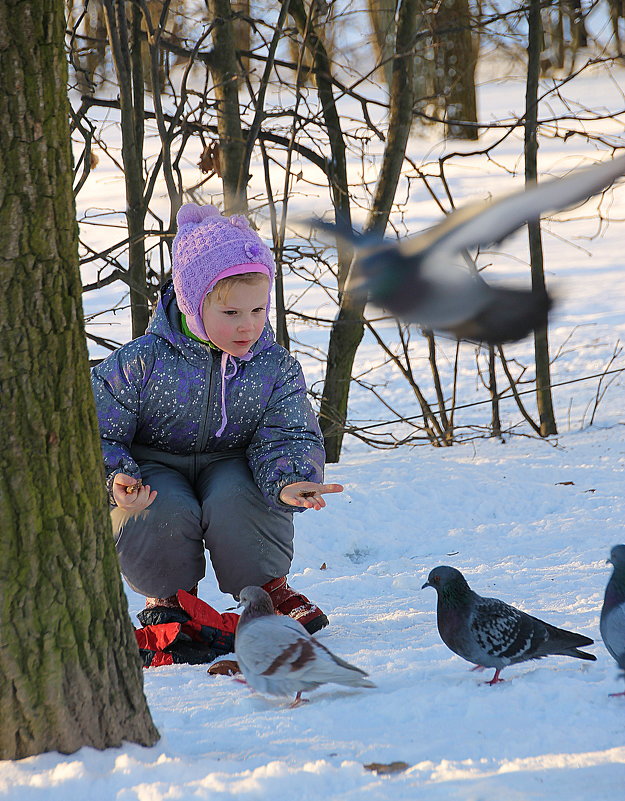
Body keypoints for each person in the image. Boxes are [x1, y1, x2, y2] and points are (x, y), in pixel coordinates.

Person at [91, 203, 343, 635]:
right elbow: (98, 431)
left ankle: (267, 588)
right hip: (154, 466)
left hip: (234, 464)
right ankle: (167, 596)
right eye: (231, 313)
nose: (248, 326)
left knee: (239, 497)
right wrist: (114, 479)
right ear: (192, 303)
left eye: (258, 310)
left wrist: (291, 478)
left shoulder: (274, 366)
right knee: (158, 505)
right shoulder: (140, 362)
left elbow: (288, 432)